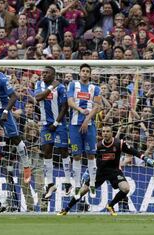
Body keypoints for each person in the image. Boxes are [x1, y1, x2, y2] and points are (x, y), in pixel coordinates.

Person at [58, 126, 154, 216]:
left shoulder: (119, 143)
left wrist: (147, 159)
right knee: (83, 191)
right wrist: (87, 172)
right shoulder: (97, 146)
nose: (105, 133)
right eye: (103, 132)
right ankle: (66, 209)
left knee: (126, 188)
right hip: (99, 172)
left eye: (107, 131)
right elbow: (90, 160)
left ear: (112, 133)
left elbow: (133, 151)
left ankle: (110, 205)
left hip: (114, 171)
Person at [34, 66, 71, 199]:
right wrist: (50, 88)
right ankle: (50, 183)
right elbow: (38, 97)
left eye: (47, 73)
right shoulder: (39, 84)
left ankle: (68, 181)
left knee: (63, 150)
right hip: (45, 125)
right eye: (42, 72)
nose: (43, 75)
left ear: (53, 75)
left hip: (59, 123)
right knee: (47, 151)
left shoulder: (60, 87)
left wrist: (56, 123)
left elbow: (64, 106)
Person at [67, 63, 101, 197]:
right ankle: (76, 185)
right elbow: (70, 102)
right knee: (76, 155)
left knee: (91, 154)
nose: (85, 73)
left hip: (90, 125)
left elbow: (97, 106)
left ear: (90, 74)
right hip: (74, 125)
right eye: (83, 71)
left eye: (87, 71)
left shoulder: (95, 88)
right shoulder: (72, 85)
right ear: (79, 73)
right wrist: (81, 110)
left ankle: (92, 184)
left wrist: (87, 120)